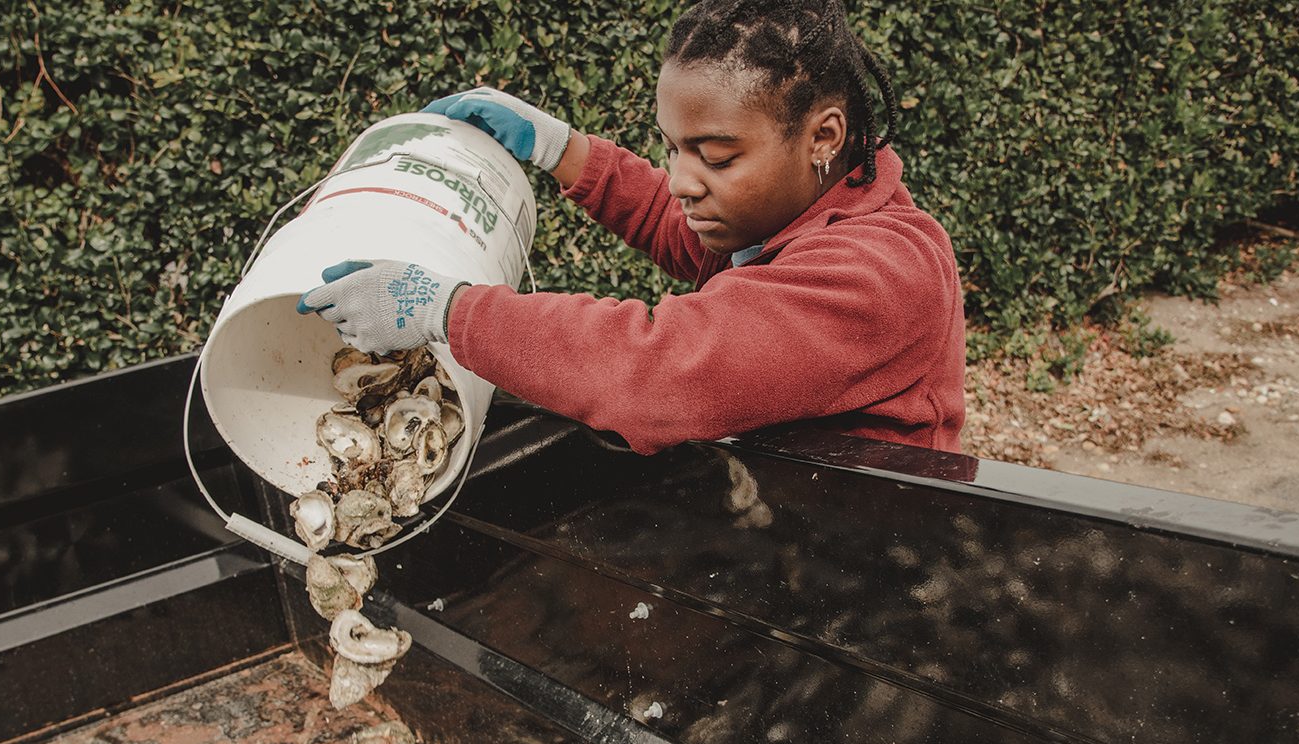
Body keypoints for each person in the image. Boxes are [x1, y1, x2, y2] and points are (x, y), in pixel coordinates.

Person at [296, 0, 965, 454]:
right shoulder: (778, 216)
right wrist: (562, 148)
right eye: (672, 148)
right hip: (781, 528)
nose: (681, 179)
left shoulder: (882, 274)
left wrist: (446, 310)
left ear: (824, 136)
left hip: (864, 583)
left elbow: (663, 372)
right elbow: (678, 231)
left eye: (717, 154)